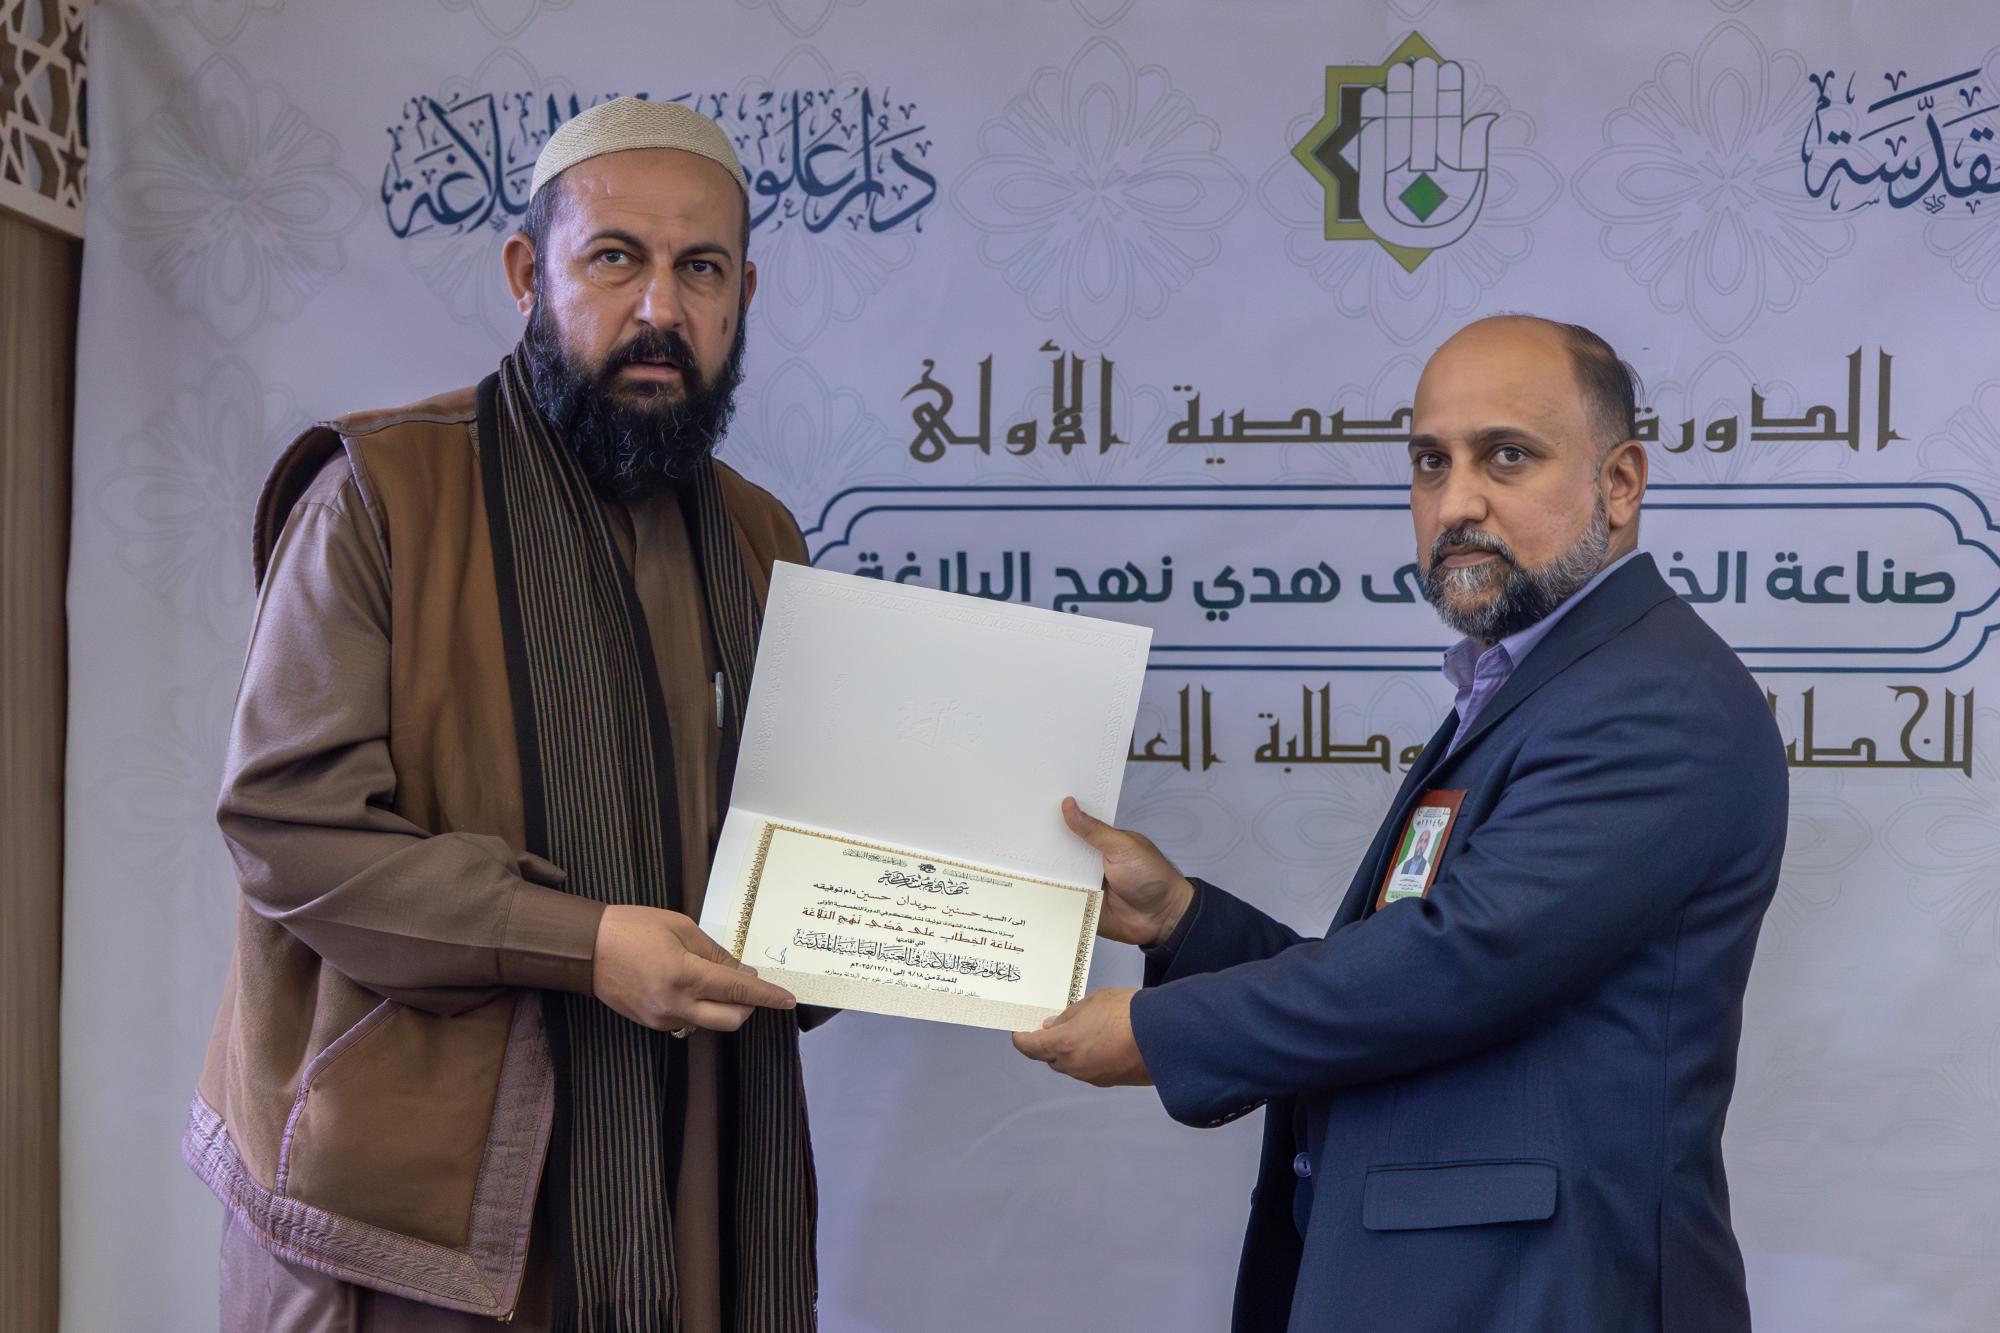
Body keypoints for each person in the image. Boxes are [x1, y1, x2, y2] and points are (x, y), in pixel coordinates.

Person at [185, 99, 822, 1331]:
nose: (659, 309)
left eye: (699, 270)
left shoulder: (758, 537)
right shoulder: (378, 495)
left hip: (693, 1180)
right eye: (615, 258)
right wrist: (581, 942)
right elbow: (287, 828)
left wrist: (895, 921)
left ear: (741, 294)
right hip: (415, 1224)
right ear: (529, 273)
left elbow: (787, 849)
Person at [1016, 315, 1787, 1332]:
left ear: (1620, 481)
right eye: (1431, 462)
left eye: (1506, 456)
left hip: (1548, 1297)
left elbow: (1459, 961)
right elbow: (1400, 974)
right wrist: (1181, 920)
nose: (1456, 502)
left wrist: (1159, 1032)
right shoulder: (1533, 686)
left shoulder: (1654, 698)